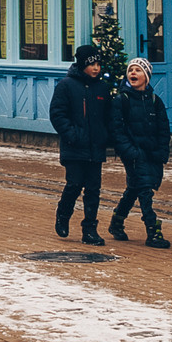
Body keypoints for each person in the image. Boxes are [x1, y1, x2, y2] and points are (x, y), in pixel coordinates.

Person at [49, 44, 113, 246]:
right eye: (92, 64)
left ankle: (90, 229)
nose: (96, 68)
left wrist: (106, 137)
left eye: (98, 64)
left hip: (96, 147)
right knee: (74, 184)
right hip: (74, 147)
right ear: (82, 64)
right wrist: (72, 135)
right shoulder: (66, 85)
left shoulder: (102, 88)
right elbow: (57, 114)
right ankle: (63, 213)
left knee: (93, 189)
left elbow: (109, 116)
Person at [108, 57, 172, 249]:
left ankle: (117, 221)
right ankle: (153, 230)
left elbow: (163, 129)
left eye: (138, 70)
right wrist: (129, 151)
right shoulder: (122, 100)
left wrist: (162, 151)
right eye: (130, 70)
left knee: (135, 188)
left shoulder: (155, 101)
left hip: (152, 153)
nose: (133, 73)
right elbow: (117, 130)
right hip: (134, 153)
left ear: (146, 76)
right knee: (145, 190)